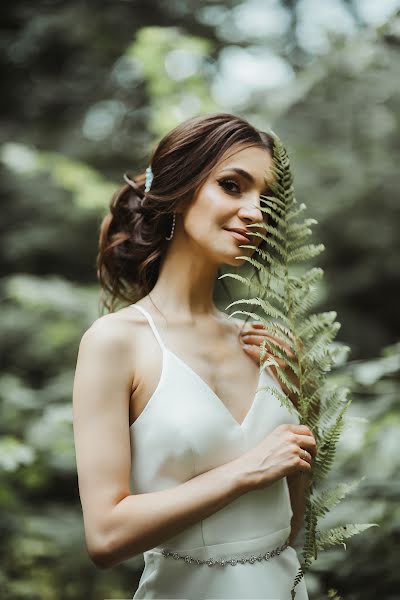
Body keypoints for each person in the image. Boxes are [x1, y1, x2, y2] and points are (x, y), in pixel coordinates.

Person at [72, 112, 316, 599]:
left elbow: (288, 528)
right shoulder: (116, 342)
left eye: (266, 199)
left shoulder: (264, 343)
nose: (256, 213)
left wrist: (303, 398)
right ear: (180, 190)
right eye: (233, 186)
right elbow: (105, 537)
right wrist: (246, 471)